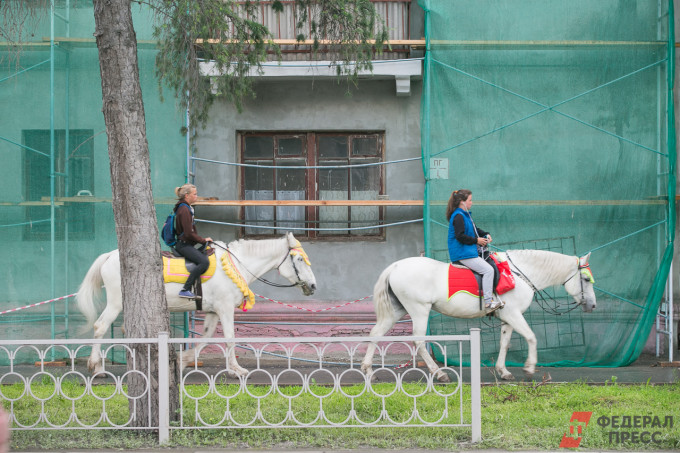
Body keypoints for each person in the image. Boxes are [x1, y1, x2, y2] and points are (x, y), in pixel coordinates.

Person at [446, 189, 501, 311]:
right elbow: (460, 236)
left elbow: (475, 230)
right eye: (470, 200)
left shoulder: (465, 215)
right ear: (462, 202)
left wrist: (486, 234)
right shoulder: (459, 216)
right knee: (488, 270)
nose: (472, 202)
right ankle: (488, 302)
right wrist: (477, 241)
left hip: (468, 252)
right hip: (462, 254)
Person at [173, 184, 213, 299]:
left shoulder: (184, 207)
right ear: (187, 196)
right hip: (184, 246)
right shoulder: (184, 209)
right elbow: (188, 233)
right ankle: (185, 289)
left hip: (186, 244)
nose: (196, 196)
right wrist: (203, 240)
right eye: (194, 194)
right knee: (204, 262)